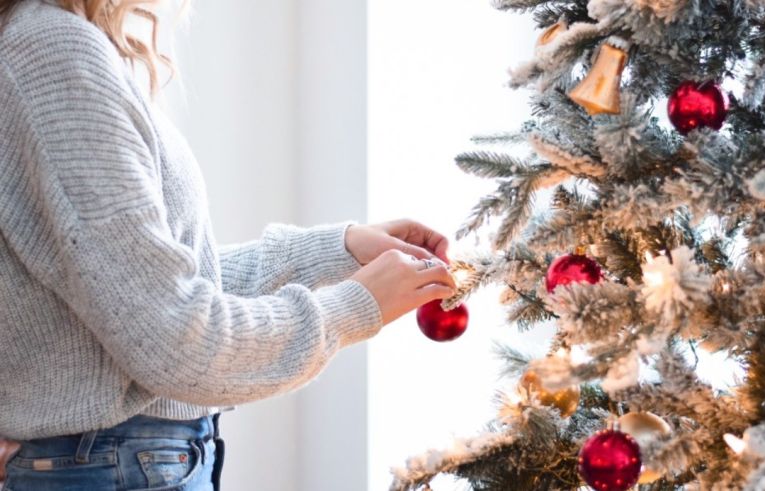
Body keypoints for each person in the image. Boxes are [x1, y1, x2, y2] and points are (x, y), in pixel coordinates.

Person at [0, 0, 457, 489]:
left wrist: (337, 250)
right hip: (120, 466)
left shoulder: (41, 44)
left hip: (121, 463)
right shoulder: (50, 51)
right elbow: (175, 340)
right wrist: (353, 306)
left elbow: (153, 289)